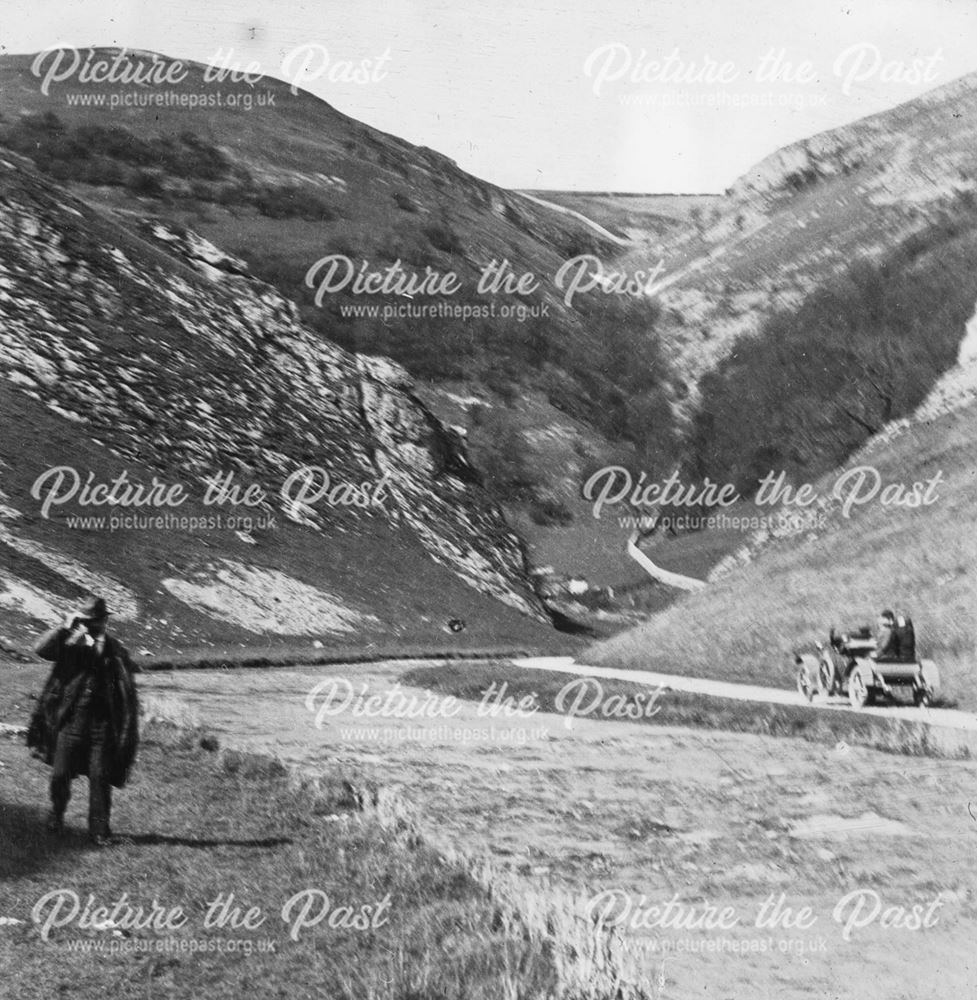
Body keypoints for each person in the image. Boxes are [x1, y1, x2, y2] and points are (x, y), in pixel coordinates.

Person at [27, 597, 140, 846]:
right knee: (60, 774)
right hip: (71, 721)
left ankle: (99, 832)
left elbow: (128, 676)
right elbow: (39, 649)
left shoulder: (115, 649)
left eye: (94, 621)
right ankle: (56, 815)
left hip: (103, 726)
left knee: (100, 778)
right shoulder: (69, 644)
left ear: (104, 621)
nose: (90, 626)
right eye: (86, 621)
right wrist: (63, 627)